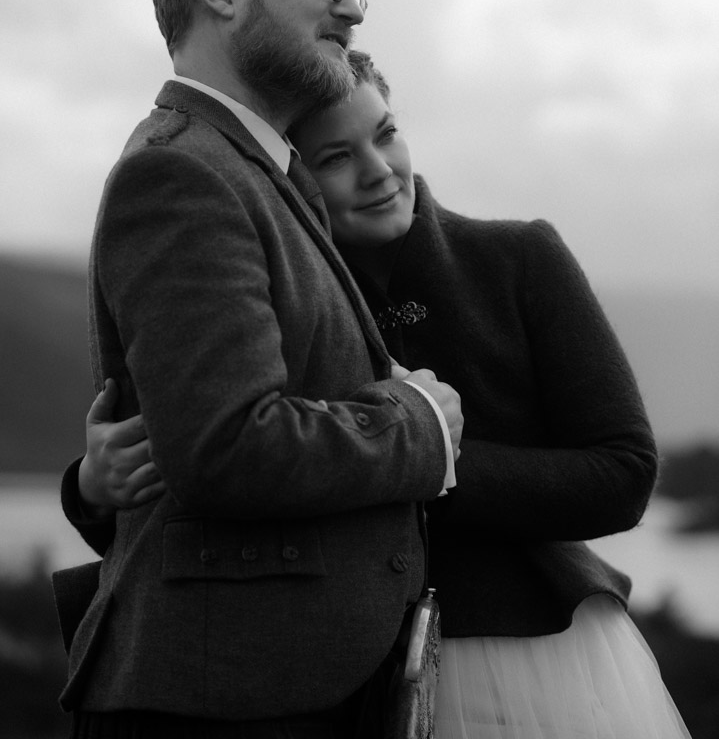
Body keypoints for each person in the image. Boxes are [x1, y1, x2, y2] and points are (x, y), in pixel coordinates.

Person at [73, 49, 693, 738]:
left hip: (531, 652)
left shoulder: (520, 258)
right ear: (288, 175)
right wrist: (92, 490)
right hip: (337, 675)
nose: (377, 171)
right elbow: (220, 476)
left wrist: (423, 460)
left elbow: (623, 473)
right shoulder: (259, 293)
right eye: (336, 157)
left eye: (386, 133)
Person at [53, 0, 464, 739]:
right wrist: (418, 422)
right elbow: (230, 449)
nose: (350, 11)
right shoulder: (180, 173)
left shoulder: (254, 169)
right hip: (227, 702)